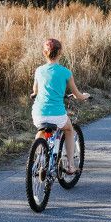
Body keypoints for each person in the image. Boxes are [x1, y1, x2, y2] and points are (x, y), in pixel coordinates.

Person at [30, 38, 90, 175]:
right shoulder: (66, 72)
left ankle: (37, 159)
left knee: (42, 130)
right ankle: (70, 166)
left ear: (44, 53)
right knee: (69, 130)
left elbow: (35, 90)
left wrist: (34, 94)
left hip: (38, 114)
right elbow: (77, 94)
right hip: (57, 115)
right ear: (60, 53)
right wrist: (84, 96)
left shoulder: (39, 70)